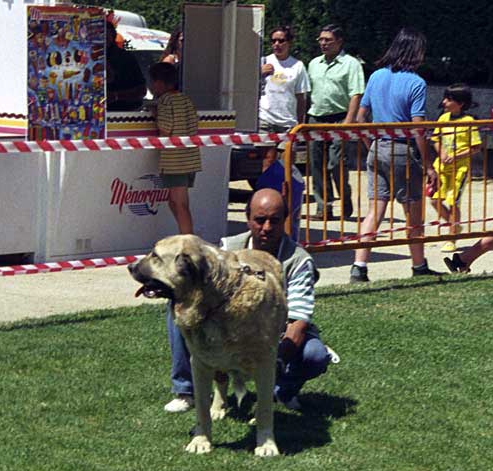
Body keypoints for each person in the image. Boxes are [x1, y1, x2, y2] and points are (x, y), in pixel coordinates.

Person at [164, 188, 338, 413]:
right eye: (260, 220)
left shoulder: (299, 261)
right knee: (181, 305)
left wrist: (271, 363)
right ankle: (187, 391)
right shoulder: (227, 248)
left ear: (285, 220)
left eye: (275, 221)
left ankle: (280, 390)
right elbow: (206, 294)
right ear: (247, 220)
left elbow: (299, 321)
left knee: (314, 355)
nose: (267, 228)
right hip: (228, 326)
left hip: (275, 333)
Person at [349, 28, 440, 283]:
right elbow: (418, 128)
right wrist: (427, 164)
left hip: (378, 148)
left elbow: (359, 117)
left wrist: (371, 144)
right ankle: (419, 265)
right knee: (413, 212)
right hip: (403, 149)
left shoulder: (376, 76)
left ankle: (359, 266)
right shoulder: (416, 83)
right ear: (415, 52)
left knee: (374, 210)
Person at [307, 24, 365, 220]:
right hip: (317, 118)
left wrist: (348, 123)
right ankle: (324, 207)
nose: (323, 43)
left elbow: (356, 94)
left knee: (336, 163)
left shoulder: (351, 64)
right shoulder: (314, 63)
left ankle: (345, 196)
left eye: (327, 40)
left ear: (339, 41)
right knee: (317, 164)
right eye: (321, 39)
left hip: (340, 118)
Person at [149, 62, 201, 235]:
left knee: (179, 203)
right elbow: (194, 125)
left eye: (153, 81)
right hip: (190, 158)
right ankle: (184, 235)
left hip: (174, 161)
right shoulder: (185, 99)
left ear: (160, 83)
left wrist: (156, 115)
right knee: (174, 201)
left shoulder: (165, 101)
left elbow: (165, 128)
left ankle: (188, 240)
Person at [429, 84, 481, 253]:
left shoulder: (469, 122)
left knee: (453, 202)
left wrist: (457, 156)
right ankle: (454, 225)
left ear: (460, 103)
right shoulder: (443, 118)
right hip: (441, 167)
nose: (444, 102)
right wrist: (442, 152)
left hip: (460, 169)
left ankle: (452, 237)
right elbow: (435, 139)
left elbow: (475, 147)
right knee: (434, 199)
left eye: (449, 99)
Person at [258, 26, 310, 171]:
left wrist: (300, 124)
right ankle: (268, 192)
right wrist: (258, 73)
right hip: (266, 119)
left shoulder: (298, 66)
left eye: (281, 41)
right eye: (273, 41)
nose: (277, 44)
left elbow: (301, 98)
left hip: (288, 122)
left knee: (287, 163)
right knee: (268, 160)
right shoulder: (263, 61)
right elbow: (245, 87)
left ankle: (286, 193)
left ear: (289, 43)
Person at [106, 20, 146, 111]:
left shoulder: (126, 58)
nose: (104, 39)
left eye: (107, 36)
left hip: (123, 112)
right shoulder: (87, 58)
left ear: (113, 36)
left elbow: (141, 90)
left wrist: (115, 96)